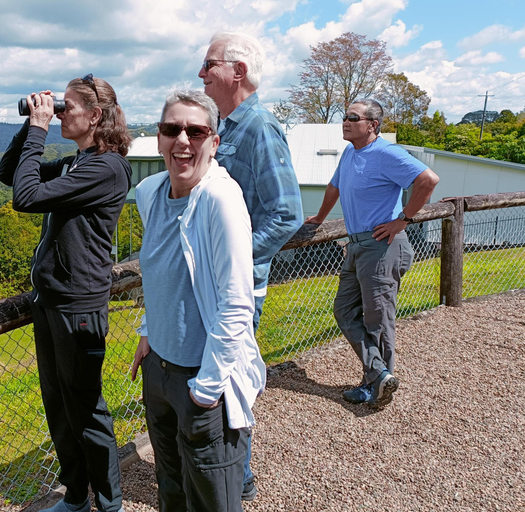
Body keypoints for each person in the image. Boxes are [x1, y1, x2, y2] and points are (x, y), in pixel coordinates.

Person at [0, 74, 131, 512]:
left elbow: (27, 197)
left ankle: (110, 504)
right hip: (51, 302)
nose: (58, 114)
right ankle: (76, 496)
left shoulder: (106, 167)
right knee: (59, 407)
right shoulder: (79, 162)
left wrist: (38, 129)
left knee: (87, 410)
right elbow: (7, 175)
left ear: (94, 116)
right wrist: (28, 125)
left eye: (66, 107)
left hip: (79, 306)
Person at [130, 90, 265, 512]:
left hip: (204, 378)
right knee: (170, 487)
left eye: (197, 130)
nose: (183, 140)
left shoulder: (219, 200)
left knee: (213, 499)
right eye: (172, 129)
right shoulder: (150, 193)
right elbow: (163, 273)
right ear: (159, 139)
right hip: (160, 370)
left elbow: (237, 302)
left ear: (214, 142)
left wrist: (206, 390)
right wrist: (149, 333)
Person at [199, 31, 303, 500]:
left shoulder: (259, 126)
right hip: (211, 286)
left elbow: (286, 213)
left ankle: (234, 483)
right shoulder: (227, 125)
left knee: (229, 385)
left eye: (209, 64)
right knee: (209, 381)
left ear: (237, 71)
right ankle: (218, 475)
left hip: (236, 289)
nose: (201, 73)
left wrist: (236, 262)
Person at [304, 99, 439, 408]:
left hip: (382, 248)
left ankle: (375, 386)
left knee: (378, 321)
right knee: (344, 310)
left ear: (372, 125)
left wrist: (402, 220)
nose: (345, 122)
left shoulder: (386, 153)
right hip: (356, 246)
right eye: (345, 117)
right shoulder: (351, 153)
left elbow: (428, 181)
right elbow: (334, 188)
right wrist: (320, 218)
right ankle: (380, 376)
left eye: (353, 117)